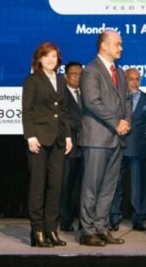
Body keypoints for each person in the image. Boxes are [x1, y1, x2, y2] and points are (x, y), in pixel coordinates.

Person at [78, 30, 132, 247]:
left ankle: (101, 227)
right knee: (91, 187)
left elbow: (127, 100)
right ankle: (87, 231)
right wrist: (116, 123)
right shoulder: (91, 70)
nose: (121, 48)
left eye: (121, 44)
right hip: (97, 139)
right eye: (117, 44)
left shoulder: (119, 72)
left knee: (109, 188)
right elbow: (92, 102)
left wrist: (126, 121)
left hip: (116, 139)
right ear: (104, 46)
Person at [21, 41, 72, 247]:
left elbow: (64, 110)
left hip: (58, 139)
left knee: (55, 186)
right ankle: (37, 231)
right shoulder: (32, 80)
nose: (51, 59)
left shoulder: (61, 80)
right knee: (38, 186)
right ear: (39, 59)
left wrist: (67, 136)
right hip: (39, 140)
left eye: (54, 56)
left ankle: (51, 229)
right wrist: (30, 136)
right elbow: (27, 110)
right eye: (47, 56)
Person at [109, 68, 146, 232]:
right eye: (131, 79)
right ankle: (113, 218)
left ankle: (138, 219)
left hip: (138, 147)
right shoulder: (116, 97)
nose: (135, 82)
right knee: (115, 185)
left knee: (138, 186)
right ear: (124, 80)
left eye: (137, 79)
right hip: (118, 146)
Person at [59, 61, 83, 232]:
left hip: (87, 147)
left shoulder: (86, 94)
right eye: (74, 74)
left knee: (84, 187)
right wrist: (84, 125)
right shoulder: (61, 94)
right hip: (69, 147)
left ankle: (85, 220)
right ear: (66, 76)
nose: (77, 77)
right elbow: (64, 118)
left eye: (80, 74)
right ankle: (65, 220)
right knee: (67, 186)